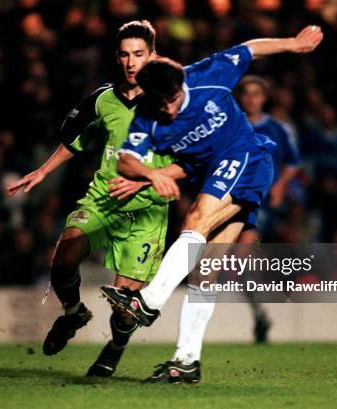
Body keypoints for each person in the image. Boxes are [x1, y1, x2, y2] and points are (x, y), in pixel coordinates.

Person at [100, 25, 324, 383]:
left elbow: (249, 46)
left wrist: (293, 44)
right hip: (217, 175)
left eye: (173, 101)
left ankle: (149, 301)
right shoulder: (149, 114)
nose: (169, 111)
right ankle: (186, 361)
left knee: (196, 219)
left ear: (181, 86)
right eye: (161, 105)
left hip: (247, 158)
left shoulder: (208, 75)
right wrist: (149, 173)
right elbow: (127, 158)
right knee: (204, 272)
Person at [7, 20, 185, 377]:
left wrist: (148, 181)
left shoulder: (175, 100)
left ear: (154, 54)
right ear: (116, 58)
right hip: (104, 199)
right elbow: (76, 139)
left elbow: (191, 157)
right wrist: (43, 171)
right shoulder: (104, 99)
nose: (131, 62)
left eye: (138, 54)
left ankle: (115, 349)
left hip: (147, 213)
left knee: (123, 308)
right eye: (124, 55)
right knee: (63, 257)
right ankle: (74, 314)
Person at [235, 75, 303, 343]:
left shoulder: (277, 128)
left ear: (264, 98)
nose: (251, 99)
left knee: (240, 257)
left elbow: (294, 162)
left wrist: (280, 186)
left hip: (260, 202)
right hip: (231, 200)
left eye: (256, 94)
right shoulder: (234, 126)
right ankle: (260, 315)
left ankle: (260, 313)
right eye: (247, 94)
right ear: (241, 97)